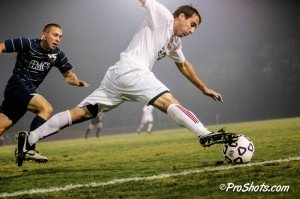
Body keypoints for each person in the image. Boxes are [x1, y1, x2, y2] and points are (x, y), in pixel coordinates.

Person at [17, 0, 238, 166]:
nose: (193, 30)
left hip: (118, 76)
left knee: (82, 113)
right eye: (192, 24)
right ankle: (203, 133)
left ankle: (30, 139)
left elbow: (184, 65)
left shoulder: (174, 41)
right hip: (132, 70)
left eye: (196, 28)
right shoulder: (162, 15)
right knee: (169, 100)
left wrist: (204, 89)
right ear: (181, 16)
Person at [0, 23, 89, 164]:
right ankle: (28, 148)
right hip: (16, 87)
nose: (58, 39)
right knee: (45, 108)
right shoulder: (27, 43)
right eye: (55, 35)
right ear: (44, 34)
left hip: (26, 94)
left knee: (2, 126)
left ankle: (26, 148)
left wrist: (77, 81)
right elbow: (2, 46)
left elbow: (68, 75)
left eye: (60, 36)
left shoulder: (57, 54)